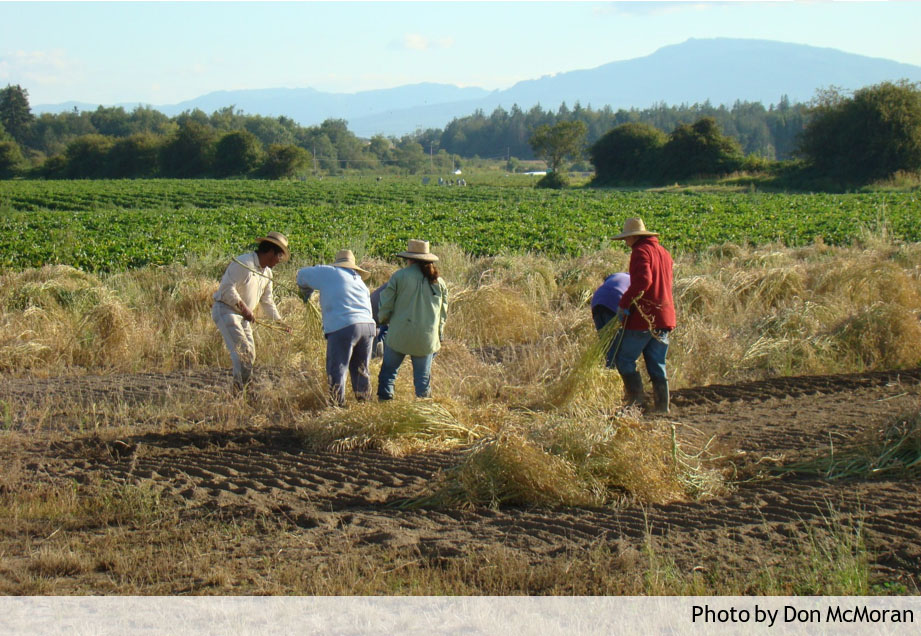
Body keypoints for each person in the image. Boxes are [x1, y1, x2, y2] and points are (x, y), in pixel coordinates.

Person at [212, 231, 290, 393]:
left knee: (250, 355)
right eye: (279, 256)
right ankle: (240, 392)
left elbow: (267, 301)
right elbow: (226, 288)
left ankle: (241, 390)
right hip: (227, 310)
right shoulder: (243, 263)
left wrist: (279, 322)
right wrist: (243, 307)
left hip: (243, 316)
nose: (279, 261)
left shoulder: (267, 273)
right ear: (270, 251)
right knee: (243, 354)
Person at [611, 218, 676, 413]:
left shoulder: (640, 252)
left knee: (624, 359)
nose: (625, 242)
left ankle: (636, 402)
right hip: (665, 316)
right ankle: (662, 407)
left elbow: (643, 281)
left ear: (634, 237)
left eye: (626, 238)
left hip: (644, 318)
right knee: (657, 363)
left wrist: (624, 304)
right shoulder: (664, 252)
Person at [296, 250, 376, 406]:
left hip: (344, 325)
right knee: (361, 370)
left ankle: (337, 406)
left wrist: (306, 292)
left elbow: (301, 275)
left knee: (338, 368)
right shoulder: (359, 281)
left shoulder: (330, 272)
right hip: (368, 327)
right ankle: (365, 404)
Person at [376, 239, 448, 401]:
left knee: (388, 373)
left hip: (399, 334)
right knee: (422, 381)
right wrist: (439, 335)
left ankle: (384, 406)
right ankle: (424, 413)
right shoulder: (439, 282)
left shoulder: (399, 276)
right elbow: (443, 313)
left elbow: (386, 304)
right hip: (426, 338)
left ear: (410, 259)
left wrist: (383, 320)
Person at [591, 272, 631, 369]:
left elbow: (606, 281)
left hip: (597, 301)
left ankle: (606, 370)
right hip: (615, 301)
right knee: (616, 346)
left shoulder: (617, 275)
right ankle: (611, 372)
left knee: (606, 343)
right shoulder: (637, 280)